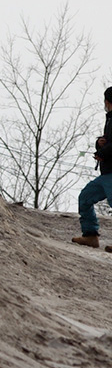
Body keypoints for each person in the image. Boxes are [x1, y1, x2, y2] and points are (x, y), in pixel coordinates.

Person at [73, 86, 112, 251]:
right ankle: (90, 236)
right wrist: (100, 143)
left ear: (108, 101)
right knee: (85, 197)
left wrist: (102, 153)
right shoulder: (110, 119)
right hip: (106, 173)